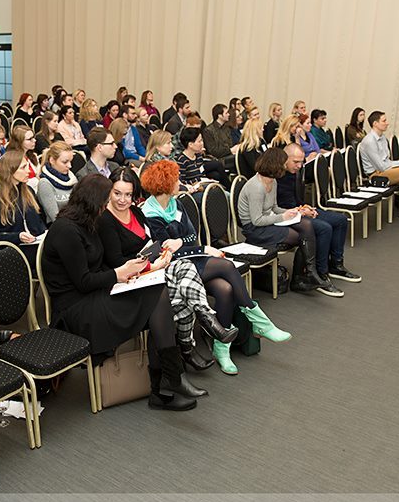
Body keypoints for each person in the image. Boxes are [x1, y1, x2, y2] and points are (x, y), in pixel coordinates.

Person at [42, 174, 198, 411]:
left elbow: (99, 266)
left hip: (98, 291)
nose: (109, 206)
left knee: (157, 295)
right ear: (92, 201)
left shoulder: (88, 222)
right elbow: (82, 281)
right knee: (156, 300)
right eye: (106, 201)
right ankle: (167, 383)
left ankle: (166, 383)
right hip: (76, 309)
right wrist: (119, 273)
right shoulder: (65, 230)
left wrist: (132, 270)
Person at [140, 160, 290, 375]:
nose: (180, 183)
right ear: (165, 184)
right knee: (227, 266)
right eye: (176, 180)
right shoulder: (150, 214)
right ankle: (258, 320)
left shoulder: (176, 203)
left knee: (225, 289)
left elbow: (191, 236)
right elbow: (164, 254)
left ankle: (223, 348)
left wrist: (183, 243)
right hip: (176, 270)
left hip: (193, 258)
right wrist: (197, 247)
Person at [99, 167, 233, 374]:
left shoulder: (135, 212)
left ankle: (194, 336)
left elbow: (150, 242)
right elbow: (116, 261)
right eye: (117, 193)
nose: (122, 200)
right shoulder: (106, 219)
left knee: (185, 270)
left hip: (149, 267)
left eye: (128, 194)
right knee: (182, 294)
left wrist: (161, 254)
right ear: (109, 191)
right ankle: (191, 343)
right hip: (128, 278)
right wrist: (152, 264)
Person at [238, 148, 333, 294]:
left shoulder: (272, 181)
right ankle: (303, 276)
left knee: (306, 224)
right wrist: (283, 217)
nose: (284, 166)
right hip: (255, 229)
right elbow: (256, 221)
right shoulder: (256, 187)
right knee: (302, 235)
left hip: (267, 220)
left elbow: (275, 208)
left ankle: (308, 273)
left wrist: (295, 211)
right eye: (282, 163)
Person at [278, 143, 360, 288]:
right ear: (284, 159)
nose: (299, 165)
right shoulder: (278, 175)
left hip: (298, 210)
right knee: (324, 228)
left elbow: (296, 198)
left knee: (340, 220)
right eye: (295, 162)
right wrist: (301, 211)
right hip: (285, 216)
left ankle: (336, 265)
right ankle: (321, 272)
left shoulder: (296, 171)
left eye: (301, 161)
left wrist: (305, 207)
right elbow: (279, 207)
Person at [36, 141, 78, 223]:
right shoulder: (45, 183)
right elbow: (55, 218)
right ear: (52, 160)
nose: (70, 166)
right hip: (59, 228)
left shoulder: (72, 179)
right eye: (65, 162)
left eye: (70, 161)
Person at [7, 125, 40, 190]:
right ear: (20, 142)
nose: (34, 140)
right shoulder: (12, 160)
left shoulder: (32, 155)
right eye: (30, 139)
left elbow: (39, 175)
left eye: (33, 137)